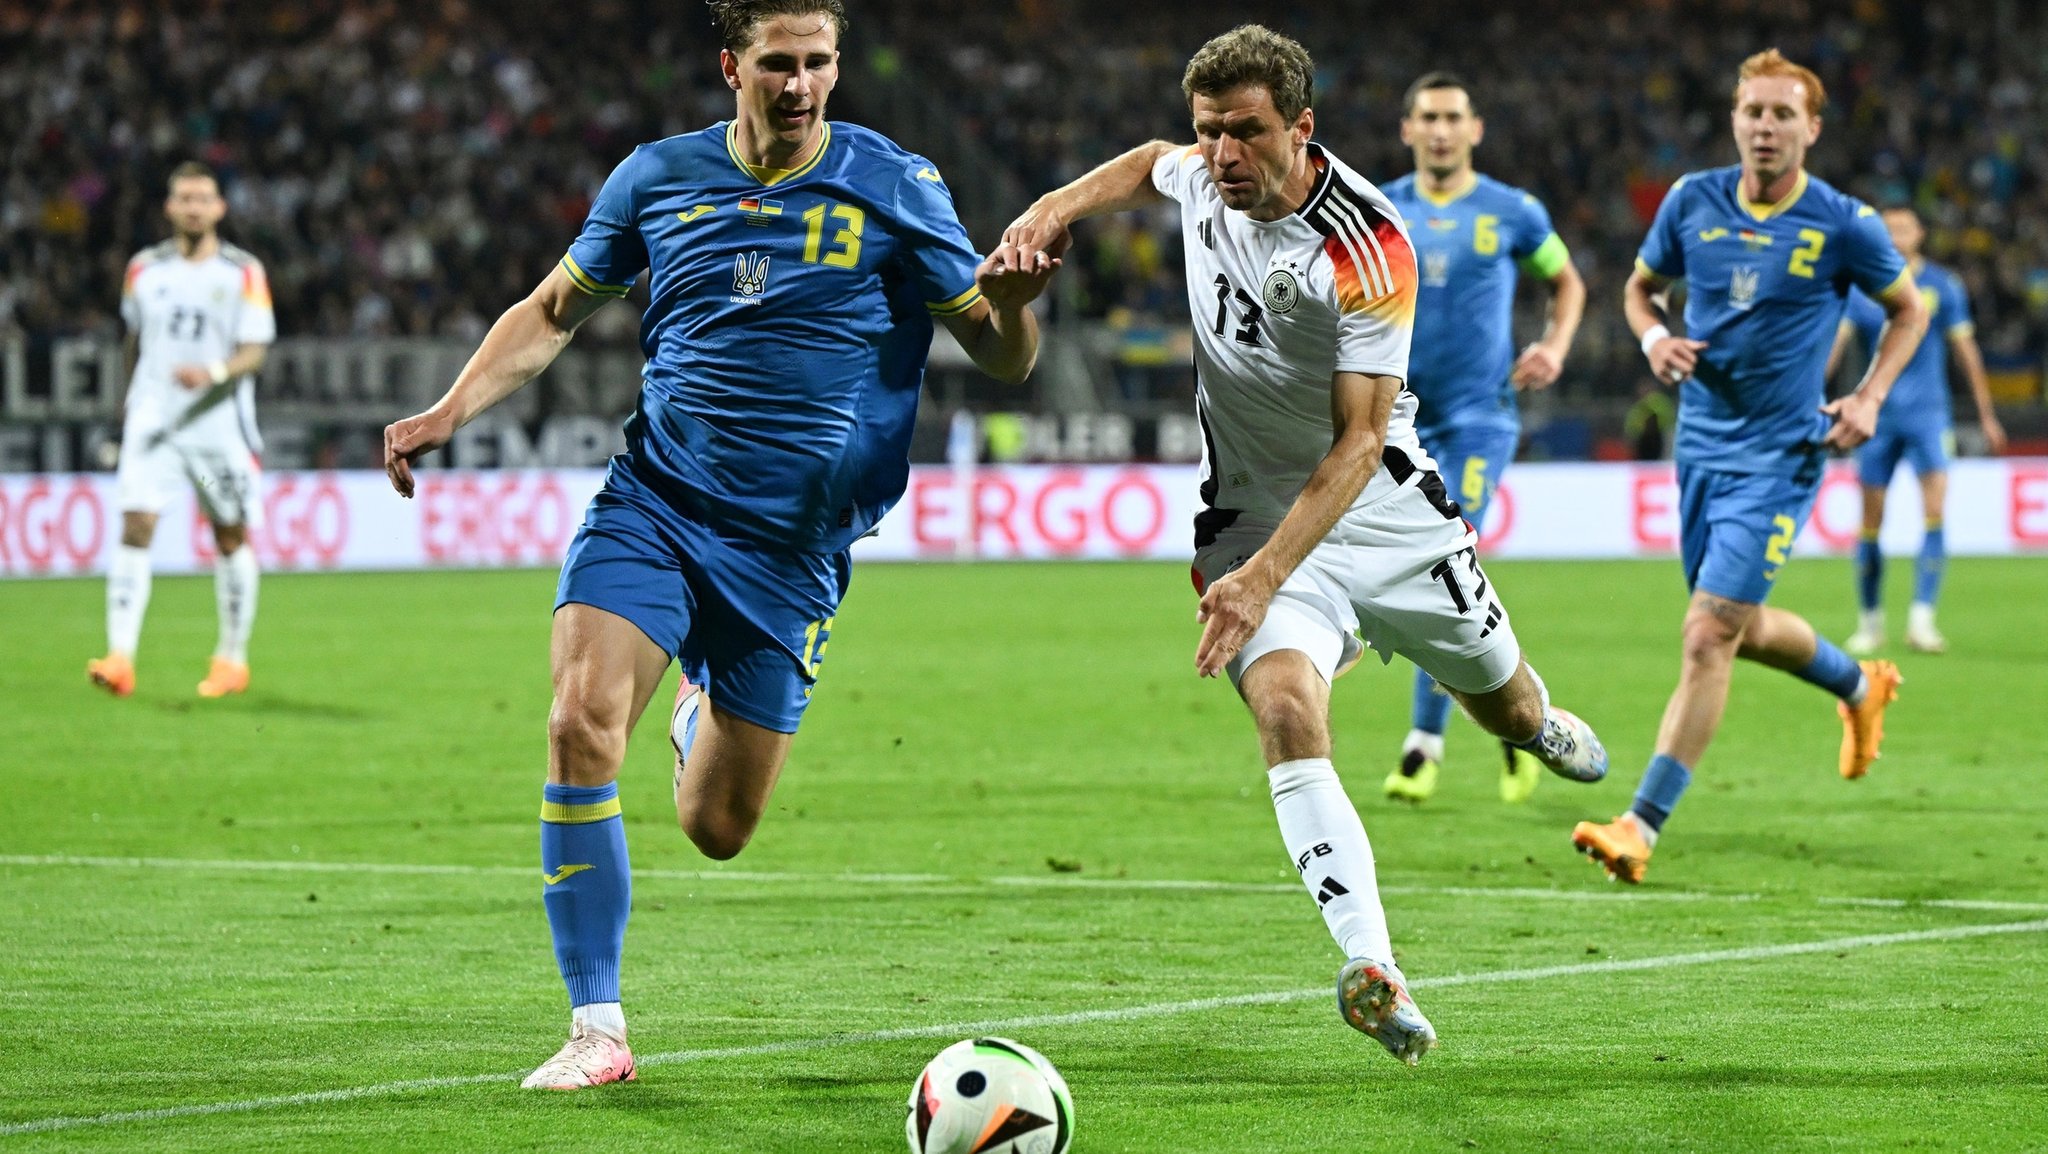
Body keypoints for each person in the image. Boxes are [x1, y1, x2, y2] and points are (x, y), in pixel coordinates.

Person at [382, 0, 1051, 1091]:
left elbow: (1002, 356)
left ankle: (697, 706)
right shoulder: (654, 178)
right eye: (778, 64)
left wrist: (1016, 310)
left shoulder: (895, 183)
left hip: (792, 552)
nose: (799, 85)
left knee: (719, 826)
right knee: (577, 724)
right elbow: (552, 310)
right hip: (654, 501)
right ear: (731, 65)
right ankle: (595, 1025)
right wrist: (448, 410)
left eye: (819, 63)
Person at [995, 24, 1606, 1066]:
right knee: (1284, 707)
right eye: (1209, 132)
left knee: (1503, 705)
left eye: (1245, 133)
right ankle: (1374, 965)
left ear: (1300, 127)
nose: (1220, 156)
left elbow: (1361, 440)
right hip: (1244, 516)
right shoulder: (1195, 173)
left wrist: (1263, 577)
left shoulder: (1367, 244)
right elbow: (1148, 164)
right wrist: (1051, 208)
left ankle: (1538, 720)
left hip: (1382, 514)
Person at [1573, 50, 1930, 885]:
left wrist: (1871, 395)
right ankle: (1859, 683)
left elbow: (1909, 310)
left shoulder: (1844, 222)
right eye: (1753, 112)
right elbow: (1639, 287)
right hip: (1699, 447)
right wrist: (1655, 336)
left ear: (1811, 127)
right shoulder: (1691, 200)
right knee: (1736, 626)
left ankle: (1640, 825)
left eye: (1782, 114)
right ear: (1734, 119)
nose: (1765, 127)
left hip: (1781, 456)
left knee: (1706, 635)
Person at [1380, 72, 1588, 805]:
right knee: (1431, 572)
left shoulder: (1513, 212)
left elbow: (1567, 282)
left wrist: (1555, 346)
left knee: (1442, 553)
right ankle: (1521, 720)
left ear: (1476, 129)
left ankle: (1422, 746)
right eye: (1427, 118)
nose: (1440, 130)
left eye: (1453, 118)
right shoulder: (1381, 211)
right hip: (1393, 417)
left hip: (1479, 417)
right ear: (1407, 130)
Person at [89, 162, 274, 700]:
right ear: (169, 207)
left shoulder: (243, 271)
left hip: (218, 429)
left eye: (203, 198)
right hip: (154, 424)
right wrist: (128, 406)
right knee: (135, 525)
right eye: (184, 198)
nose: (194, 207)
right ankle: (120, 656)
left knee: (229, 534)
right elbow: (133, 340)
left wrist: (213, 373)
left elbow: (255, 350)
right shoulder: (143, 269)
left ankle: (231, 660)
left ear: (219, 208)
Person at [1832, 206, 2006, 655]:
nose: (1895, 236)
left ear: (1920, 233)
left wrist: (1986, 414)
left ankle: (1922, 620)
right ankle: (1870, 623)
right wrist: (1809, 391)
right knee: (1871, 519)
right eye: (1887, 230)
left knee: (1934, 511)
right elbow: (1837, 344)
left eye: (1903, 228)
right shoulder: (1865, 286)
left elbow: (1966, 352)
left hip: (1930, 416)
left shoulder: (1943, 286)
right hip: (1876, 416)